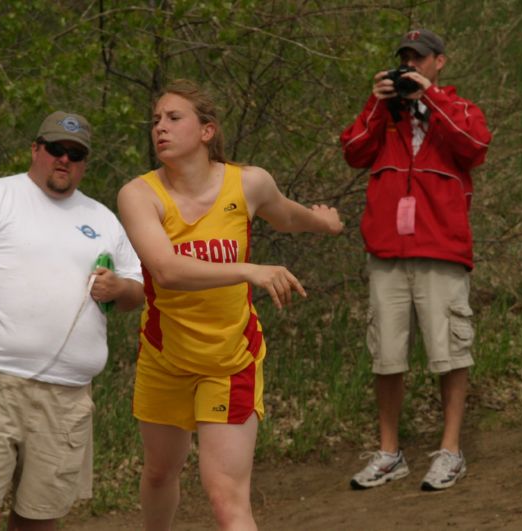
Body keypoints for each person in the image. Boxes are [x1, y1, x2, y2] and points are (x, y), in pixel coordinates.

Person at [117, 79, 344, 531]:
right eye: (156, 120)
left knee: (226, 498)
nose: (159, 127)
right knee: (161, 471)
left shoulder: (249, 183)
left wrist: (325, 223)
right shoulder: (139, 194)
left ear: (206, 131)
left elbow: (285, 214)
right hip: (165, 355)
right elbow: (165, 270)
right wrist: (249, 270)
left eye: (173, 118)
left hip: (229, 359)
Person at [0, 110, 144, 531]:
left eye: (75, 153)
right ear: (35, 150)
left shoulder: (103, 219)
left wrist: (118, 289)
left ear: (85, 162)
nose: (64, 159)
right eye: (56, 149)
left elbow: (137, 293)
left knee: (40, 517)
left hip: (67, 397)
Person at [340, 29, 492, 491]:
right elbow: (352, 152)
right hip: (387, 251)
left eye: (419, 60)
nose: (411, 67)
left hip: (440, 248)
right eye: (404, 60)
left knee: (449, 351)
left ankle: (450, 450)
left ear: (439, 62)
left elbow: (474, 145)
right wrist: (376, 102)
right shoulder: (385, 116)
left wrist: (431, 98)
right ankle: (389, 453)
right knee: (386, 354)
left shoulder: (459, 108)